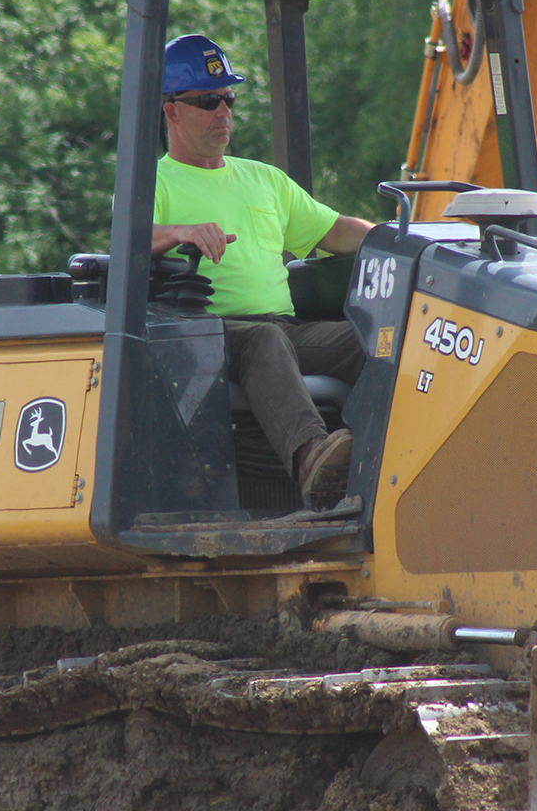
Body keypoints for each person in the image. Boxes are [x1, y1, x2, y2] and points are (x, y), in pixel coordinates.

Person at [150, 34, 375, 510]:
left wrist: (406, 236)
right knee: (263, 341)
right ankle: (315, 458)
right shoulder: (152, 182)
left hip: (284, 329)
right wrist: (177, 232)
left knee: (378, 340)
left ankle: (391, 464)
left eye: (228, 98)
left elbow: (336, 231)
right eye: (208, 101)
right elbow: (127, 241)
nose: (224, 112)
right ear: (171, 111)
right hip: (207, 337)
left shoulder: (264, 179)